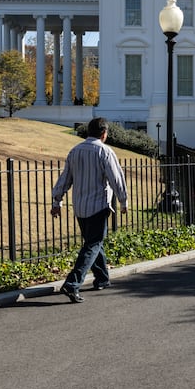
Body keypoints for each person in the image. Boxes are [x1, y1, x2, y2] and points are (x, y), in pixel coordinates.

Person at [50, 117, 129, 303]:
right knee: (93, 244)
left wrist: (56, 201)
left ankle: (102, 278)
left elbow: (65, 178)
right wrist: (123, 201)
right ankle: (73, 283)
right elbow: (116, 178)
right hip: (98, 205)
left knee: (93, 242)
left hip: (80, 206)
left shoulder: (75, 151)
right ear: (104, 133)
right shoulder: (105, 151)